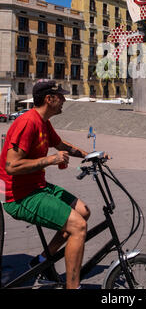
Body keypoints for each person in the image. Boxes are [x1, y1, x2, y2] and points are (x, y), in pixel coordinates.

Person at [0, 80, 91, 289]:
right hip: (18, 196)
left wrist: (90, 155)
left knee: (83, 211)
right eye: (61, 96)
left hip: (37, 187)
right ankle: (73, 287)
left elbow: (60, 145)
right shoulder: (27, 123)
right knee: (78, 226)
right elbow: (12, 165)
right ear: (49, 99)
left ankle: (42, 261)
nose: (64, 100)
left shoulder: (43, 122)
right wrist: (50, 160)